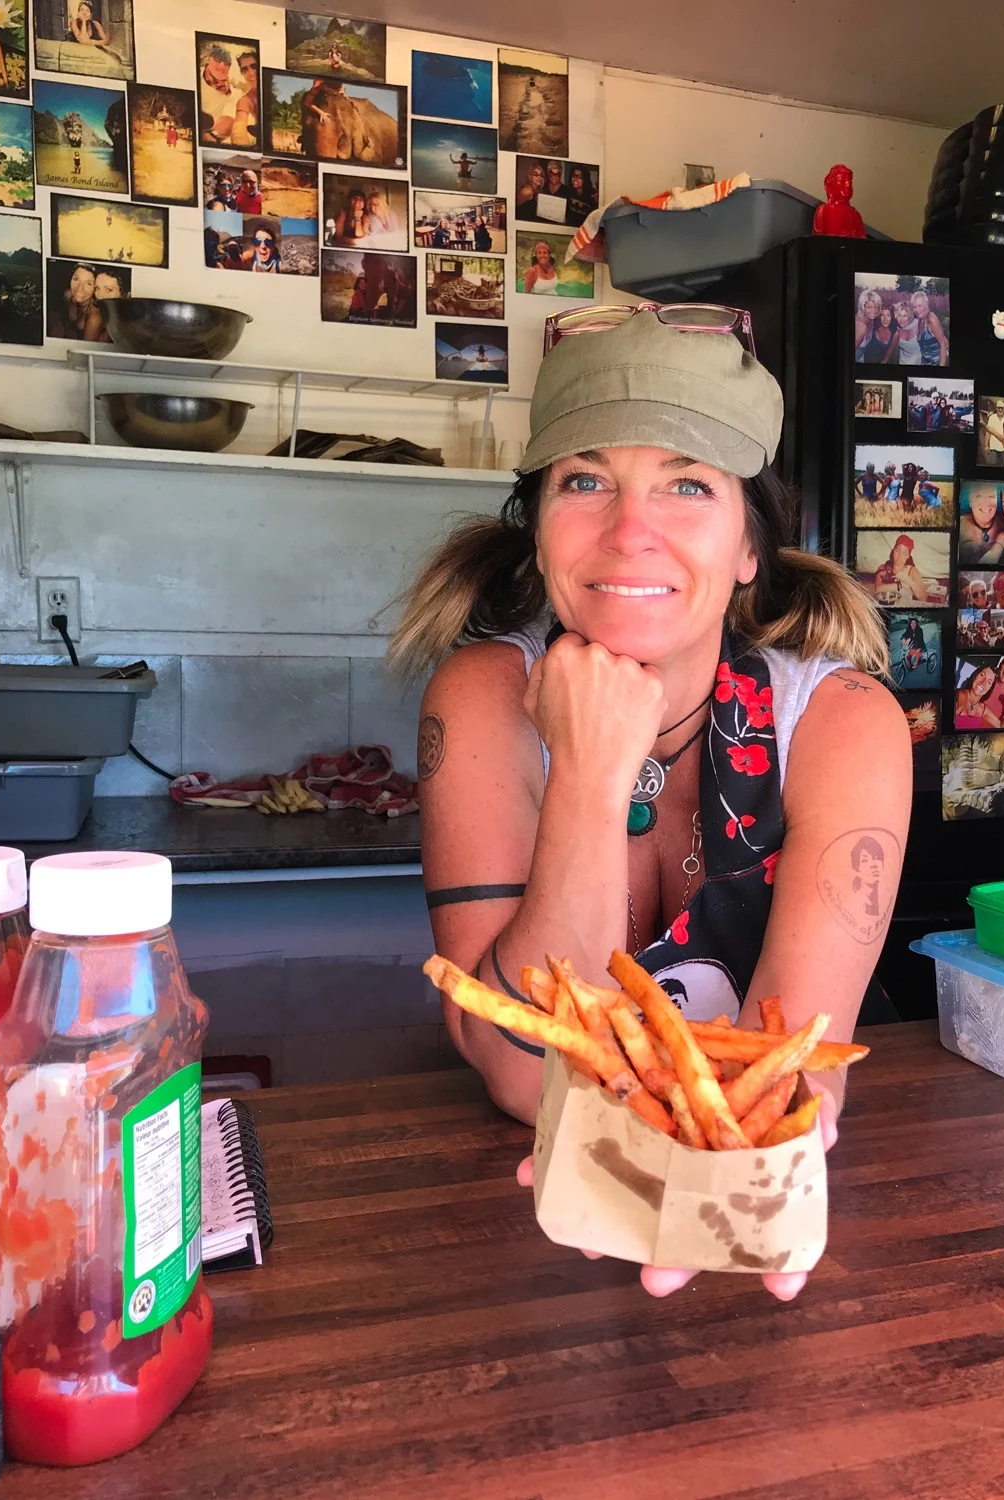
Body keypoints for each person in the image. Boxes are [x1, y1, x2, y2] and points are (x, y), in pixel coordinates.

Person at [389, 306, 910, 1301]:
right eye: (585, 480)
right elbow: (512, 1072)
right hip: (532, 1245)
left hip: (783, 1225)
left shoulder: (843, 723)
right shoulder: (485, 698)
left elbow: (782, 1077)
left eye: (688, 485)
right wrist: (589, 772)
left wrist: (729, 1156)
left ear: (749, 545)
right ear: (538, 530)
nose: (631, 532)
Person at [48, 261, 107, 341]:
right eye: (76, 279)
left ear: (95, 288)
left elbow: (85, 349)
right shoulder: (68, 295)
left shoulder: (95, 317)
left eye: (88, 284)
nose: (79, 288)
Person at [200, 43, 241, 146]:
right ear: (209, 60)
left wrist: (212, 136)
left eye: (227, 64)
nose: (222, 66)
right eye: (218, 61)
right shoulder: (194, 75)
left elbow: (228, 121)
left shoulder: (233, 93)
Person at [873, 533, 929, 603]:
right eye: (897, 551)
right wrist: (900, 585)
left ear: (908, 556)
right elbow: (877, 589)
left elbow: (924, 598)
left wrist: (909, 581)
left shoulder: (912, 571)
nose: (899, 557)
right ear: (893, 550)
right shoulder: (883, 567)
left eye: (904, 554)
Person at [958, 483, 1002, 564]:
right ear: (970, 502)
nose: (986, 502)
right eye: (979, 496)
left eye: (991, 496)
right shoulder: (959, 525)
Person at [954, 664, 1003, 730]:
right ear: (975, 676)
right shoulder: (961, 695)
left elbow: (1000, 726)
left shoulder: (983, 709)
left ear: (990, 689)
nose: (983, 682)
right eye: (982, 675)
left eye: (989, 682)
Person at [910, 290, 947, 366]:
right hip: (925, 362)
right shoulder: (921, 319)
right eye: (914, 307)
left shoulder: (932, 320)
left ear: (926, 304)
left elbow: (943, 344)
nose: (917, 310)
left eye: (919, 306)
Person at [233, 49, 259, 148]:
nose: (251, 73)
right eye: (245, 70)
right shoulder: (245, 101)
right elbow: (238, 131)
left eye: (254, 66)